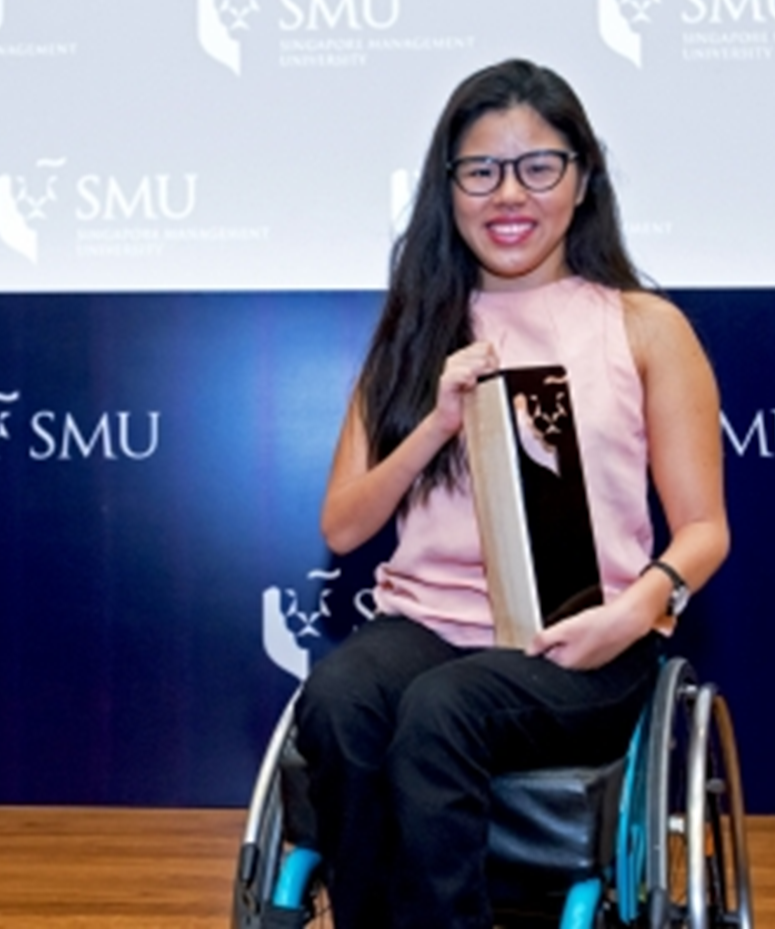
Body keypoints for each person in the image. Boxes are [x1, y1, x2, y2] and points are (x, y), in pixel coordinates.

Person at [293, 58, 729, 929]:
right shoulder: (413, 334)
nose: (509, 195)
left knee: (442, 711)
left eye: (539, 167)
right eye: (480, 171)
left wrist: (634, 611)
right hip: (424, 627)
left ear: (581, 179)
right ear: (447, 188)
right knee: (341, 697)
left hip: (583, 639)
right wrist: (434, 423)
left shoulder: (644, 327)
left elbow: (703, 529)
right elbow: (343, 527)